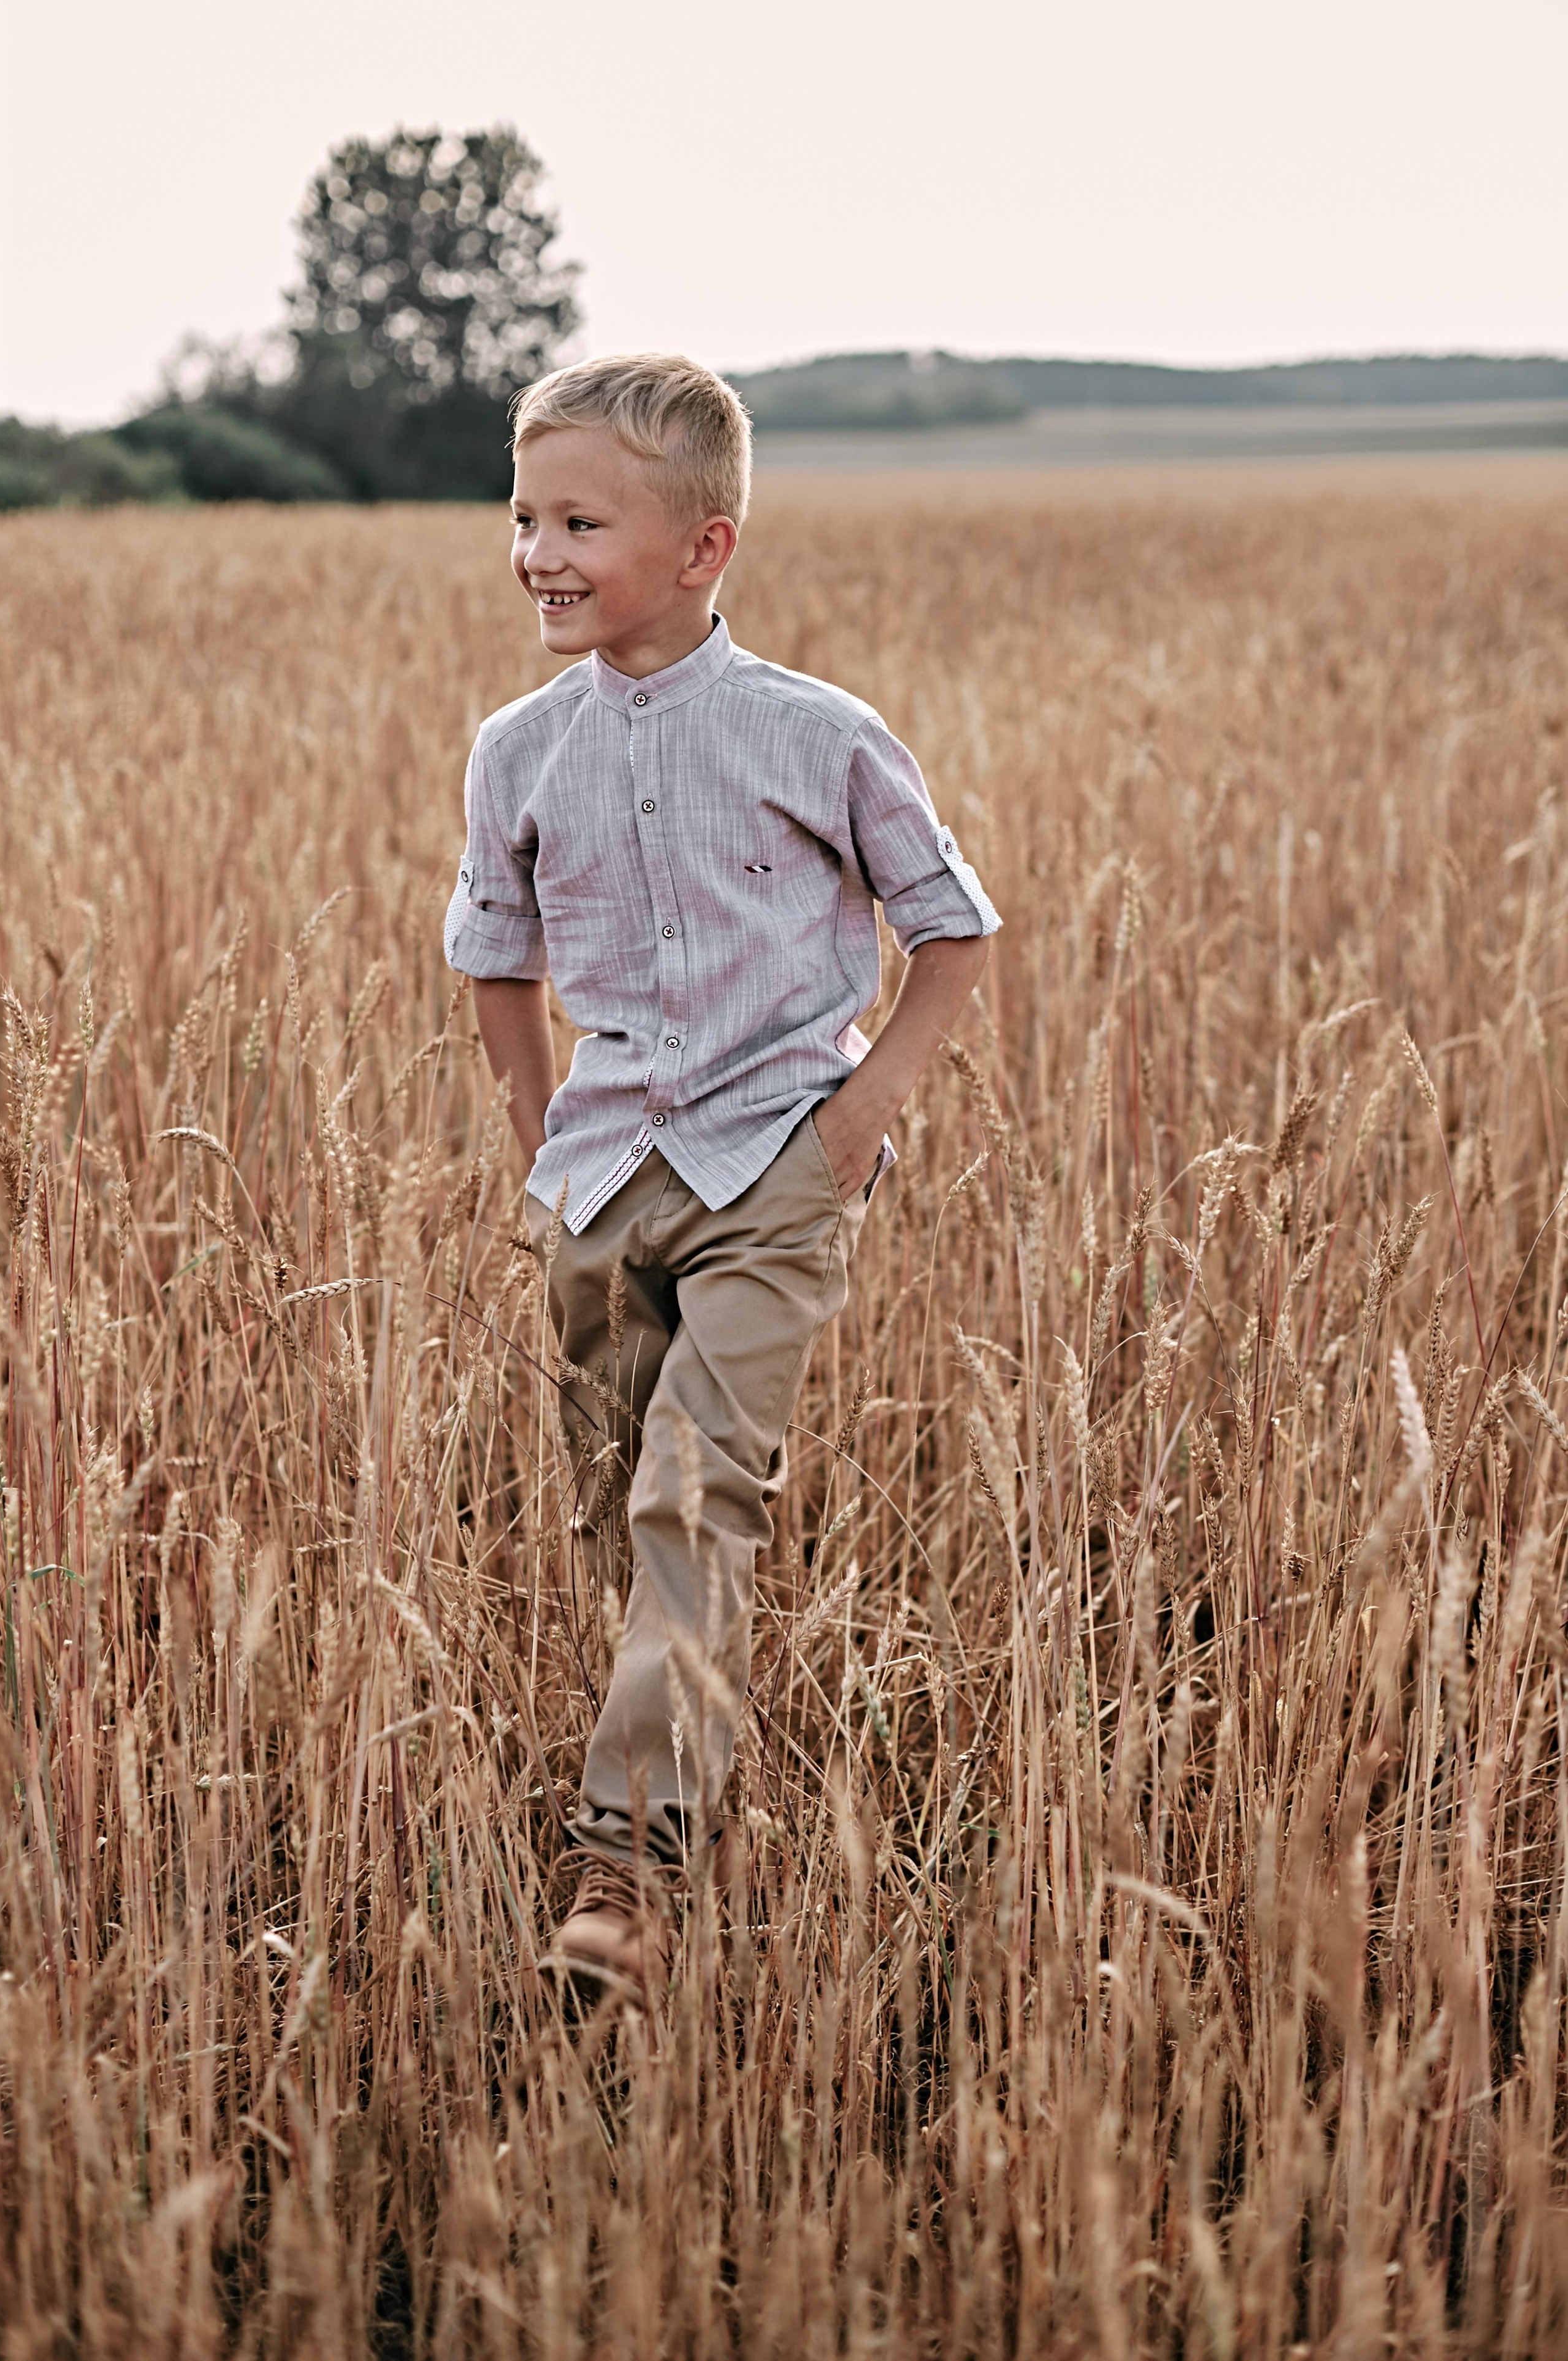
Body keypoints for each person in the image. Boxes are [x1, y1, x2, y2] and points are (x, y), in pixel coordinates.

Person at [444, 354, 998, 1998]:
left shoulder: (817, 735)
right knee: (625, 1498)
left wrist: (863, 1113)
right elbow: (492, 960)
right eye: (526, 517)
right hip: (602, 1171)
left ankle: (628, 1864)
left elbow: (954, 931)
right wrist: (539, 1146)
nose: (538, 553)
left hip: (775, 1161)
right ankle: (689, 1739)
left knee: (695, 1488)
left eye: (580, 524)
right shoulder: (515, 750)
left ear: (705, 547)